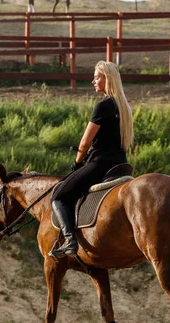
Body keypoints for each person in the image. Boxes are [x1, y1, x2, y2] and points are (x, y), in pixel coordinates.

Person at [49, 61, 134, 258]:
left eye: (97, 77)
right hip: (121, 165)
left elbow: (85, 142)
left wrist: (78, 162)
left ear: (108, 79)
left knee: (59, 195)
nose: (93, 81)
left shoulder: (103, 105)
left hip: (101, 164)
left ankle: (70, 240)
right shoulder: (124, 106)